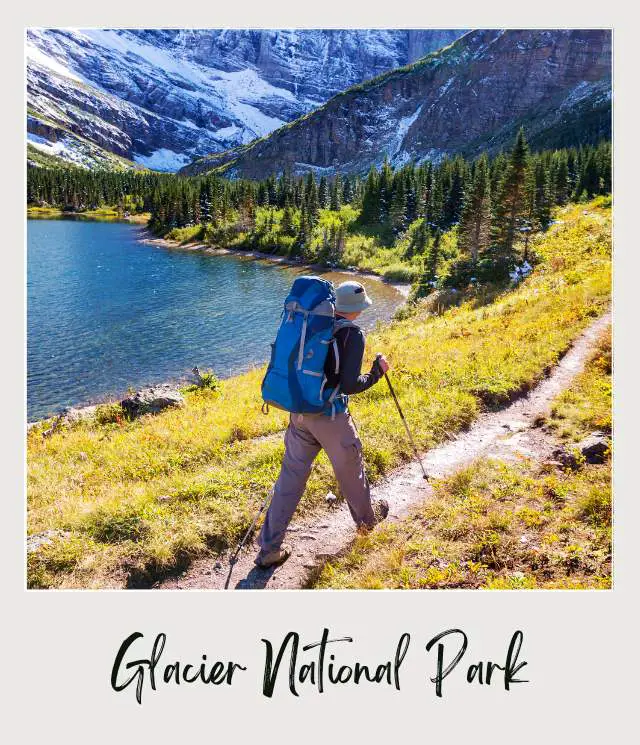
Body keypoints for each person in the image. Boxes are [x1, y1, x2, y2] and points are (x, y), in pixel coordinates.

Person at [255, 280, 390, 569]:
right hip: (331, 418)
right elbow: (351, 385)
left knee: (290, 480)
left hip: (299, 413)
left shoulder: (312, 324)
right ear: (356, 309)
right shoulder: (352, 334)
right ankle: (368, 527)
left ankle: (269, 548)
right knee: (351, 472)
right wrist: (377, 372)